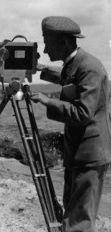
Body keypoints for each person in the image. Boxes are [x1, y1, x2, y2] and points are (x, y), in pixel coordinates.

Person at [31, 16, 111, 231]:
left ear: (64, 42)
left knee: (78, 223)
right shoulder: (76, 63)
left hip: (90, 156)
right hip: (78, 154)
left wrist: (48, 102)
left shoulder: (89, 68)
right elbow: (67, 77)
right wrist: (39, 68)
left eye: (47, 42)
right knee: (72, 215)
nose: (45, 49)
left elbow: (83, 113)